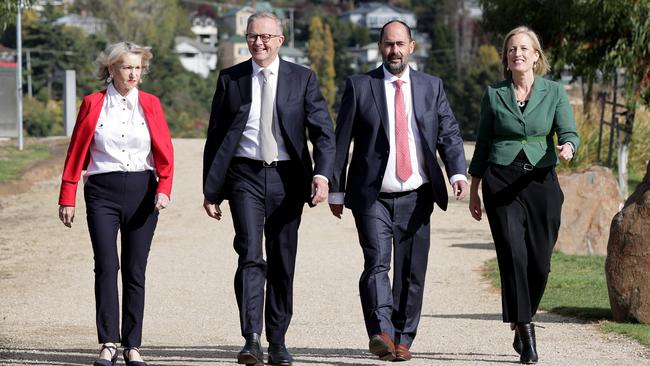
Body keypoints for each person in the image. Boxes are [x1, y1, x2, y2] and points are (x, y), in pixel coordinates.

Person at [329, 20, 468, 362]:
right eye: (388, 44)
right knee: (377, 263)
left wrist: (457, 172)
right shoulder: (361, 86)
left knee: (411, 270)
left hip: (417, 195)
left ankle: (403, 337)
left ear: (411, 47)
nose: (394, 50)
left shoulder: (430, 87)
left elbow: (448, 132)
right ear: (381, 47)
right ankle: (382, 332)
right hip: (372, 195)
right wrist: (336, 189)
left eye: (399, 44)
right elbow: (340, 139)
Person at [202, 12, 335, 366]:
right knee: (249, 253)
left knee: (282, 261)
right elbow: (215, 136)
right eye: (251, 36)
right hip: (244, 175)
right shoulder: (231, 79)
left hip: (288, 178)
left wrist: (322, 175)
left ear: (280, 39)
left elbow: (323, 133)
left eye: (265, 37)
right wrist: (211, 189)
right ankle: (252, 338)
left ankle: (278, 340)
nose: (258, 43)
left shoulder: (302, 78)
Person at [467, 26, 579, 364]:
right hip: (500, 180)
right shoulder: (494, 94)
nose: (518, 53)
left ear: (536, 56)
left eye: (524, 48)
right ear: (507, 57)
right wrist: (474, 189)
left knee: (541, 263)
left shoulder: (554, 92)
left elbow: (569, 130)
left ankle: (521, 316)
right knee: (513, 254)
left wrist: (569, 146)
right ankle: (526, 330)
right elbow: (483, 143)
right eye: (512, 49)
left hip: (541, 180)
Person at [58, 41, 174, 366]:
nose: (133, 73)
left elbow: (165, 150)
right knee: (107, 266)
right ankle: (108, 342)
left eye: (138, 67)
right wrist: (67, 195)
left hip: (142, 191)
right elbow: (76, 151)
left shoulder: (151, 104)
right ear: (111, 69)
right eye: (127, 67)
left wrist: (164, 187)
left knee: (136, 270)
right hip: (101, 191)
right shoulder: (93, 104)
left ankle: (132, 345)